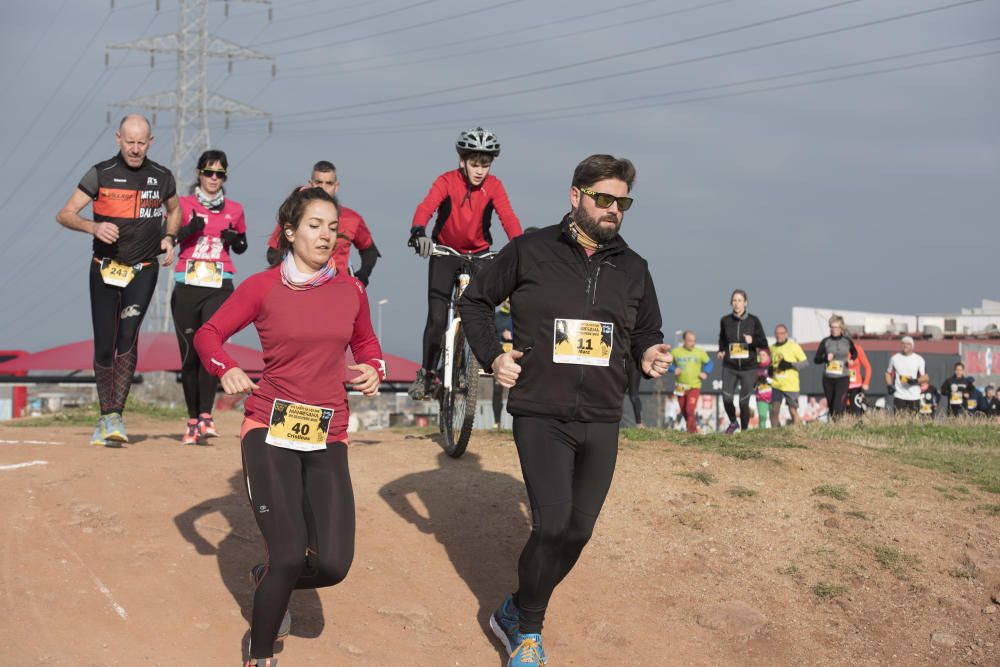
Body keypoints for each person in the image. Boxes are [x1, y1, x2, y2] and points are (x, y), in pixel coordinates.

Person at [459, 154, 669, 667]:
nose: (613, 209)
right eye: (604, 198)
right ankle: (527, 630)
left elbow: (646, 330)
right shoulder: (530, 250)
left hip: (602, 414)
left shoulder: (634, 268)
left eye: (623, 201)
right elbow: (476, 302)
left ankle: (515, 609)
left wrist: (647, 353)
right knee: (551, 525)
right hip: (541, 411)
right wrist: (493, 355)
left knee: (578, 531)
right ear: (575, 196)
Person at [194, 187, 386, 666]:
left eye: (332, 227)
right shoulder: (262, 287)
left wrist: (374, 370)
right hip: (269, 425)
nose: (326, 235)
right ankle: (260, 655)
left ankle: (267, 580)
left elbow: (366, 345)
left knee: (333, 564)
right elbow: (208, 334)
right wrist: (225, 368)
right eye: (315, 225)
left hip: (327, 431)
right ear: (290, 232)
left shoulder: (351, 290)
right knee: (287, 553)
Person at [56, 115, 180, 446]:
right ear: (118, 139)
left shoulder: (162, 177)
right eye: (130, 142)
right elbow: (65, 213)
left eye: (142, 142)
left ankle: (115, 416)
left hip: (144, 269)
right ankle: (104, 413)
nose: (136, 149)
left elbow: (176, 210)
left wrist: (169, 236)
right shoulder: (100, 174)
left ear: (151, 142)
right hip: (105, 268)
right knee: (105, 340)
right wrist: (93, 227)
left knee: (128, 335)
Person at [407, 127, 522, 400]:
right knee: (437, 317)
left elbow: (509, 218)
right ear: (462, 161)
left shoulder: (494, 186)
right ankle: (427, 374)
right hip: (444, 252)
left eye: (486, 164)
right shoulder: (446, 181)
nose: (480, 170)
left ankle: (469, 364)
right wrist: (418, 232)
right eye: (474, 164)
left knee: (479, 314)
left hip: (479, 254)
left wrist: (520, 247)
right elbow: (426, 207)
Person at [172, 149, 247, 445]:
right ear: (199, 174)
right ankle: (192, 419)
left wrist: (235, 240)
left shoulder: (235, 209)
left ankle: (206, 414)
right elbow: (171, 236)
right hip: (187, 284)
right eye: (208, 172)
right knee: (190, 356)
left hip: (220, 285)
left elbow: (241, 244)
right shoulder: (183, 203)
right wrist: (190, 229)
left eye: (220, 174)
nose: (214, 179)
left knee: (210, 348)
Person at [265, 161, 380, 285]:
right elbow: (273, 253)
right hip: (302, 286)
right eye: (318, 182)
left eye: (329, 183)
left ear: (336, 186)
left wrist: (364, 272)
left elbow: (370, 250)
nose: (323, 188)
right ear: (311, 183)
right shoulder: (295, 215)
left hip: (338, 286)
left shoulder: (353, 218)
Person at [717, 290, 768, 434]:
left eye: (739, 300)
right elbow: (722, 340)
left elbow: (764, 343)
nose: (736, 303)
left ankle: (744, 431)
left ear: (745, 303)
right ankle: (734, 422)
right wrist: (721, 350)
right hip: (730, 366)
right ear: (731, 303)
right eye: (734, 300)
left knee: (743, 402)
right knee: (727, 398)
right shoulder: (725, 320)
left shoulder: (753, 320)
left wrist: (752, 341)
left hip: (749, 368)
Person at [813, 315, 857, 420]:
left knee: (839, 404)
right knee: (832, 405)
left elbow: (855, 353)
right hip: (828, 378)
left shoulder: (847, 341)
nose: (833, 329)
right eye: (831, 327)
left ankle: (839, 425)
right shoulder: (826, 342)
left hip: (843, 378)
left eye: (836, 327)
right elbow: (816, 359)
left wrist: (852, 360)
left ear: (841, 328)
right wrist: (825, 358)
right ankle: (835, 426)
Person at [670, 330, 712, 433]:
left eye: (694, 341)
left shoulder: (699, 352)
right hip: (680, 386)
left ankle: (691, 433)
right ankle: (694, 430)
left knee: (690, 410)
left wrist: (705, 372)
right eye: (689, 341)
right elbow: (667, 364)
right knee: (684, 411)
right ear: (684, 340)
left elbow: (709, 363)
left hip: (694, 386)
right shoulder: (675, 352)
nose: (692, 343)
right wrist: (673, 369)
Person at [768, 324, 807, 427]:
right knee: (774, 409)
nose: (778, 336)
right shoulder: (772, 348)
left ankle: (797, 431)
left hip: (791, 385)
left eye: (781, 333)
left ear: (786, 334)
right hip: (776, 384)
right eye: (776, 333)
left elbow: (805, 362)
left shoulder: (793, 346)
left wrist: (790, 364)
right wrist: (770, 369)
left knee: (793, 410)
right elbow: (770, 363)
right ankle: (775, 434)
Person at [885, 336, 925, 414]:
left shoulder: (919, 359)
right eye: (903, 343)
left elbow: (925, 377)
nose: (905, 345)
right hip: (899, 395)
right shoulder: (894, 358)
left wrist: (915, 381)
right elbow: (888, 373)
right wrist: (889, 385)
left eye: (908, 344)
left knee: (914, 421)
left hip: (914, 395)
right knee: (899, 420)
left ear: (912, 346)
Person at [493, 298, 513, 429]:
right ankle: (497, 422)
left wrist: (512, 336)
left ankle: (515, 424)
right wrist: (501, 334)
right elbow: (490, 335)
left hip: (516, 356)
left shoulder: (518, 316)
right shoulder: (496, 316)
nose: (510, 303)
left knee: (516, 392)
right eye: (508, 300)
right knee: (497, 391)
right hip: (499, 355)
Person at [847, 338, 872, 415]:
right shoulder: (836, 349)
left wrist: (866, 383)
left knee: (856, 411)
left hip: (856, 386)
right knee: (840, 411)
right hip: (841, 385)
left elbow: (868, 367)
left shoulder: (857, 348)